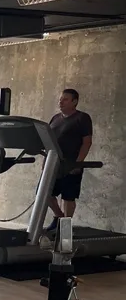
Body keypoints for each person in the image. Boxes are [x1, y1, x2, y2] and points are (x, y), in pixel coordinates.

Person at [45, 88, 93, 230]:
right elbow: (49, 142)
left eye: (65, 99)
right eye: (60, 99)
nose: (61, 102)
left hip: (71, 164)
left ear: (74, 102)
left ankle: (65, 229)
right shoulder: (55, 118)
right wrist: (45, 162)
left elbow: (87, 142)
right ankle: (59, 218)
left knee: (68, 197)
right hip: (53, 164)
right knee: (45, 193)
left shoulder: (82, 118)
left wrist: (78, 163)